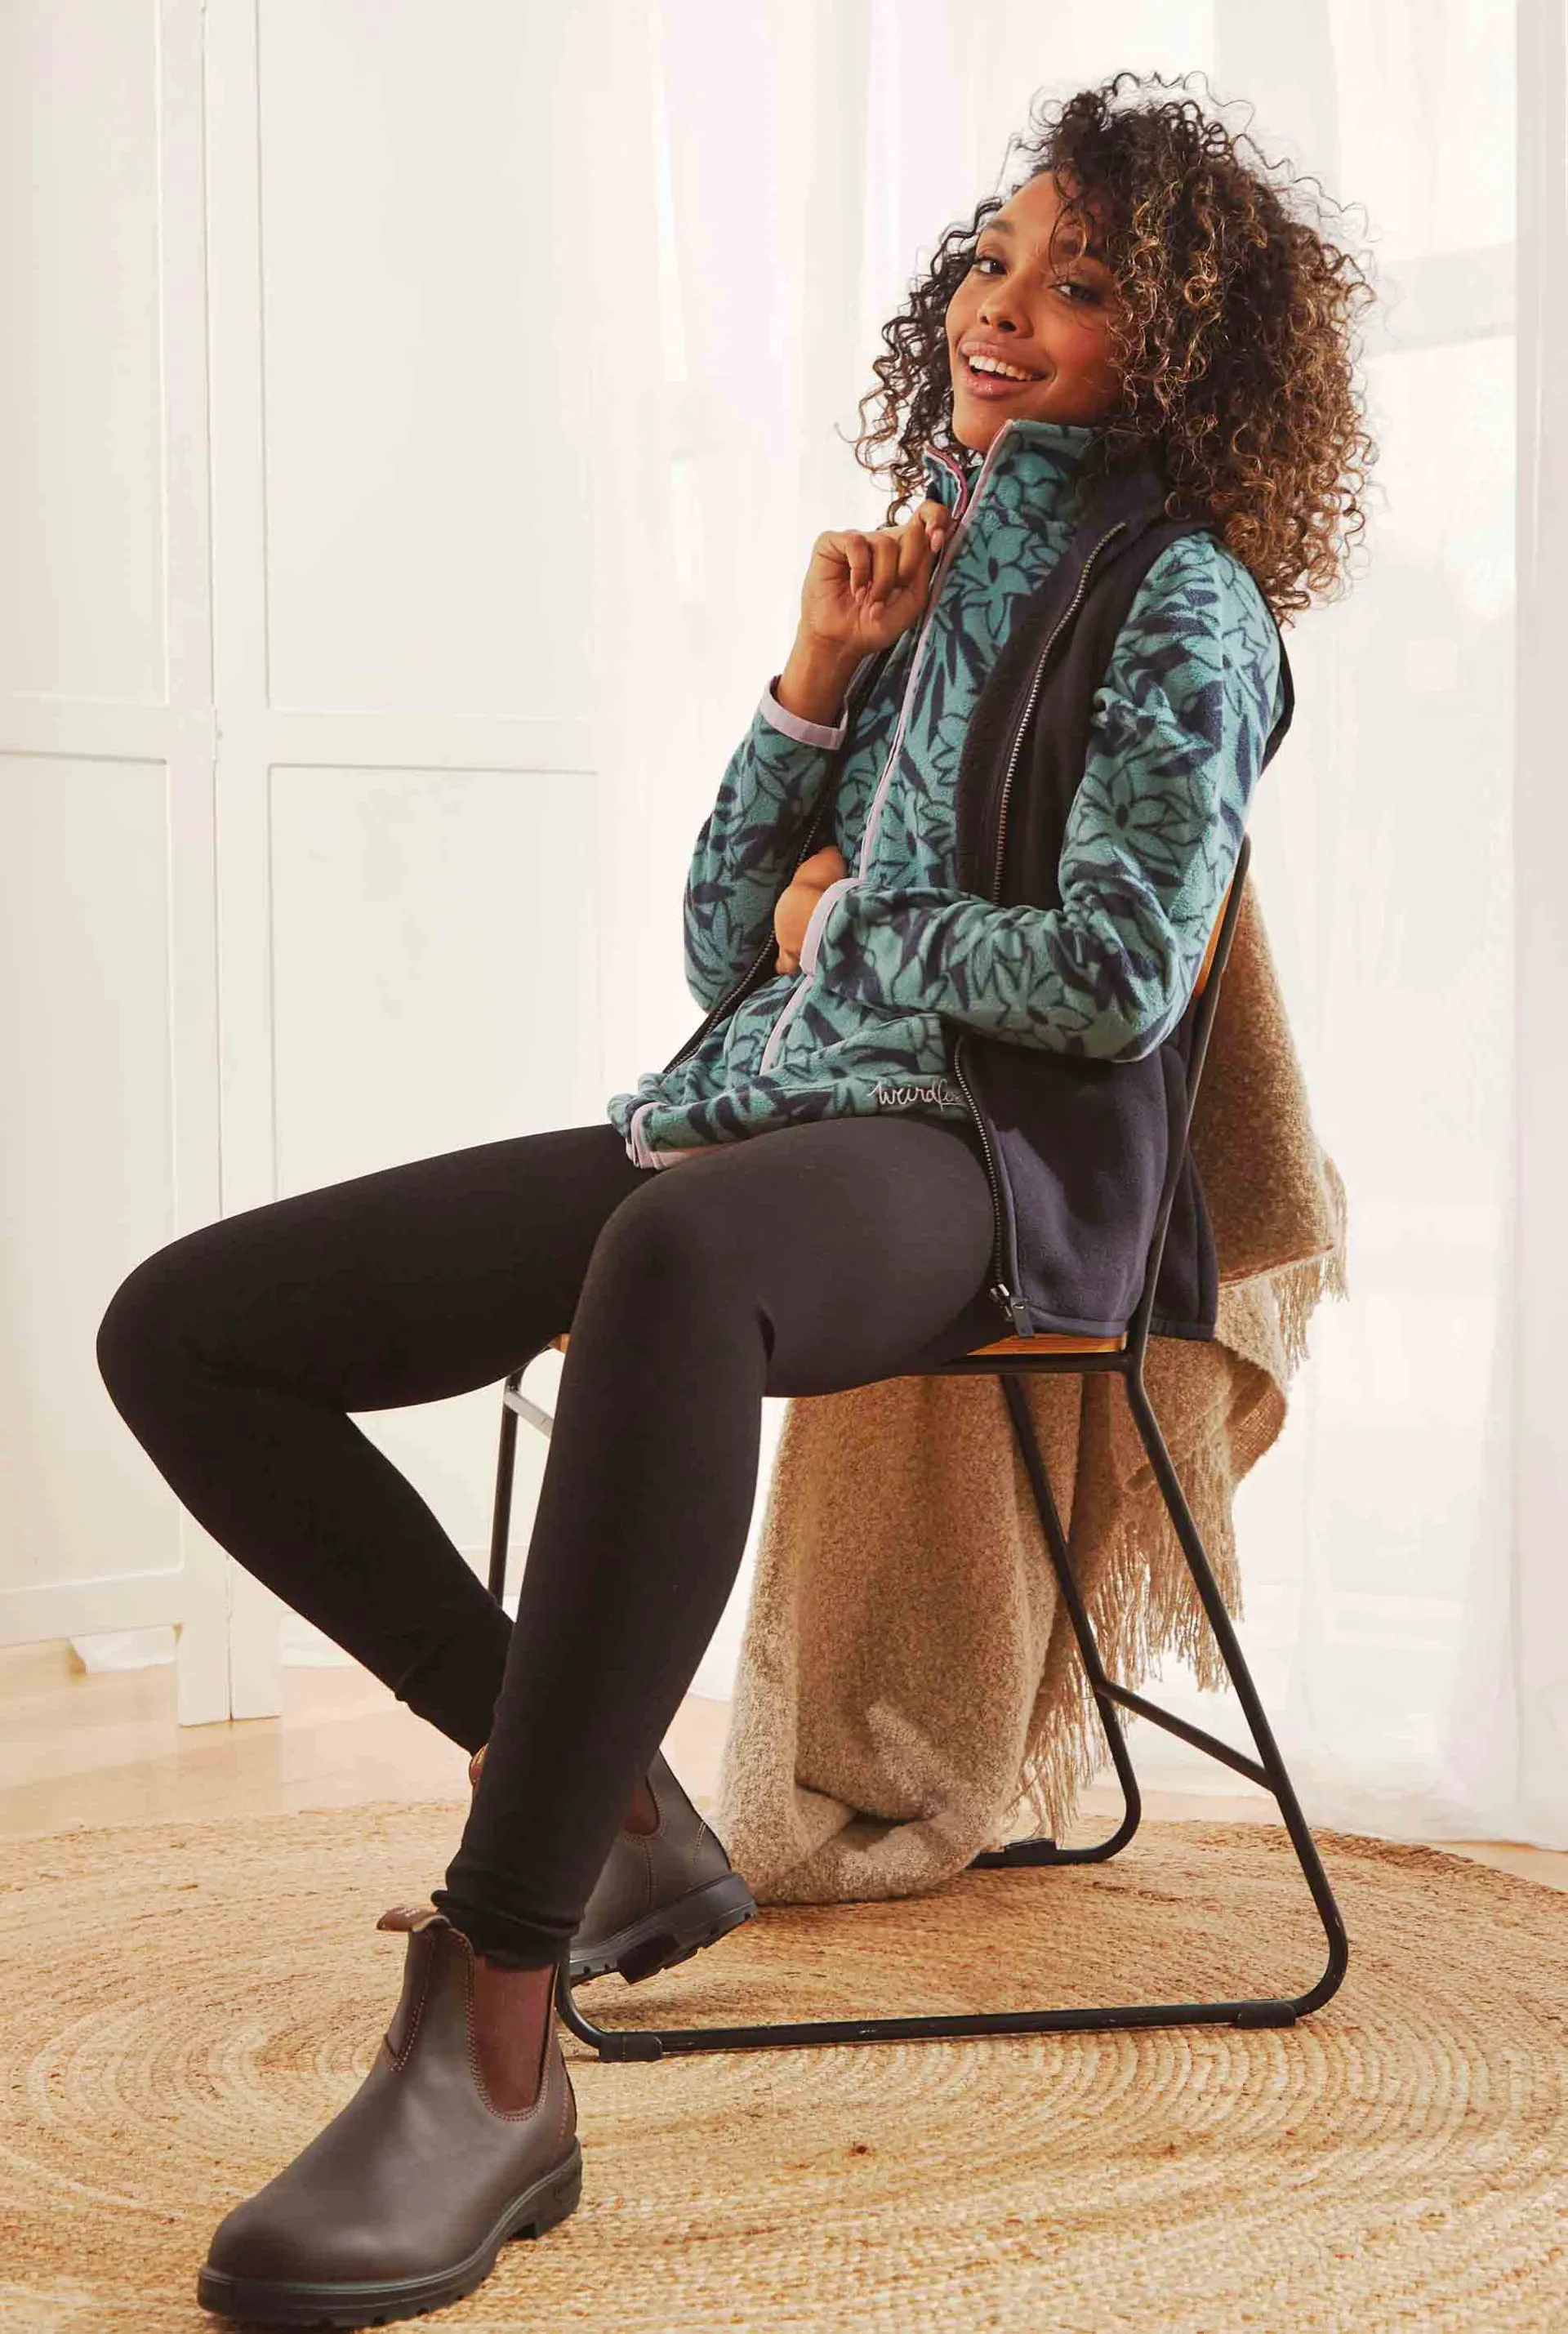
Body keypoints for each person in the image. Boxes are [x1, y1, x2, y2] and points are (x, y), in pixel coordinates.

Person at [93, 69, 1374, 2329]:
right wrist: (813, 682)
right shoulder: (930, 566)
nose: (1001, 311)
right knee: (188, 1325)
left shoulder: (1186, 601)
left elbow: (1109, 978)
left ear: (1180, 344)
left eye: (1078, 285)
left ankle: (495, 2032)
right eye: (995, 260)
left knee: (668, 1252)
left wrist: (844, 923)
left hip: (982, 1165)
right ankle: (595, 1806)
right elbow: (719, 943)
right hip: (752, 1120)